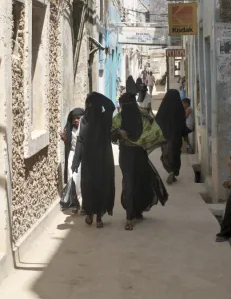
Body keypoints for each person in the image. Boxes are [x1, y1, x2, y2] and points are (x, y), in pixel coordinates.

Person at [111, 78, 168, 231]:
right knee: (129, 183)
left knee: (140, 182)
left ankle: (137, 211)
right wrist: (118, 133)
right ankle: (129, 217)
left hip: (139, 155)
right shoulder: (120, 118)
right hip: (127, 155)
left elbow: (155, 132)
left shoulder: (144, 118)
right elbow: (110, 133)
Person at [71, 92, 115, 228]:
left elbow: (80, 141)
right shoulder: (104, 119)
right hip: (102, 160)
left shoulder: (85, 120)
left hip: (89, 161)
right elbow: (111, 106)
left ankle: (91, 215)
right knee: (99, 186)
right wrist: (98, 98)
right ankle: (98, 217)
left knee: (89, 187)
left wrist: (76, 161)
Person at [156, 89, 188, 185]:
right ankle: (174, 172)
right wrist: (184, 134)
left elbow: (157, 120)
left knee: (165, 156)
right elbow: (183, 123)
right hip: (176, 138)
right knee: (175, 155)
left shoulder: (164, 107)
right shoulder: (180, 109)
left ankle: (170, 171)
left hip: (165, 137)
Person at [60, 108, 85, 214]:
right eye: (74, 118)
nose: (76, 120)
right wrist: (64, 138)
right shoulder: (69, 128)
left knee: (81, 180)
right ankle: (75, 204)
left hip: (83, 156)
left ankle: (84, 205)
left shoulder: (86, 128)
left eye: (78, 118)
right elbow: (68, 143)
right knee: (72, 179)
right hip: (72, 154)